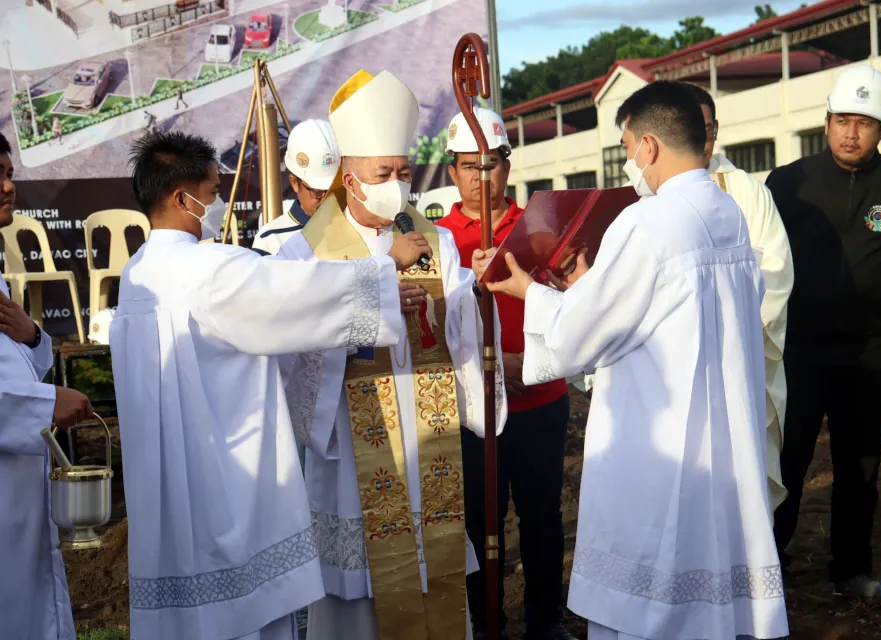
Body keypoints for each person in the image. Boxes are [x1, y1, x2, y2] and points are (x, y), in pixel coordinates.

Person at [479, 81, 789, 640]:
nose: (627, 162)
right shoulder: (729, 211)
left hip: (659, 444)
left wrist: (532, 292)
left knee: (655, 592)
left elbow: (580, 335)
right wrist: (582, 288)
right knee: (707, 581)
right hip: (719, 439)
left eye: (625, 147)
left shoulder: (648, 221)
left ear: (648, 146)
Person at [111, 130, 430, 640]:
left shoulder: (136, 274)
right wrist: (384, 266)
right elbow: (294, 296)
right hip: (226, 478)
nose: (217, 205)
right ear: (180, 198)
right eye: (213, 194)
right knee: (243, 615)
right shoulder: (208, 268)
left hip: (166, 483)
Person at [277, 69, 507, 640]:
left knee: (437, 572)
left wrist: (475, 297)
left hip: (427, 441)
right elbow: (295, 343)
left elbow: (460, 333)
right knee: (360, 605)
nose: (398, 186)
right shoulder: (301, 252)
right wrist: (380, 288)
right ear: (349, 180)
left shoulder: (438, 241)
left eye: (405, 173)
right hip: (357, 451)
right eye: (384, 174)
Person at [766, 65, 881, 603]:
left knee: (858, 467)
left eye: (864, 122)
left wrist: (871, 302)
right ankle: (768, 569)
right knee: (784, 462)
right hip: (795, 350)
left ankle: (852, 571)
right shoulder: (787, 183)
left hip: (867, 350)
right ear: (826, 122)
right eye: (842, 120)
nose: (851, 133)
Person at [435, 107, 574, 640]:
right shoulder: (438, 236)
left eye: (490, 164)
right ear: (452, 172)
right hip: (473, 407)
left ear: (508, 167)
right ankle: (484, 620)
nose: (479, 176)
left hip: (539, 394)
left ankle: (545, 619)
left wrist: (528, 360)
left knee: (541, 514)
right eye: (468, 166)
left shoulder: (542, 224)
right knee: (477, 521)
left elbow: (571, 300)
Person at [0, 130, 94, 639]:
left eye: (9, 174)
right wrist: (43, 405)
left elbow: (11, 366)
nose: (8, 186)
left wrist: (32, 334)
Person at [685, 83, 794, 518]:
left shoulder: (748, 192)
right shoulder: (645, 194)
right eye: (694, 130)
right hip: (678, 369)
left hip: (739, 359)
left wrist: (732, 335)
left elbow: (778, 272)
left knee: (741, 481)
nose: (704, 141)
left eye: (709, 129)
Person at [253, 119, 341, 254]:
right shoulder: (272, 240)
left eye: (333, 189)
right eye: (317, 191)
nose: (326, 198)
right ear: (294, 182)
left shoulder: (363, 229)